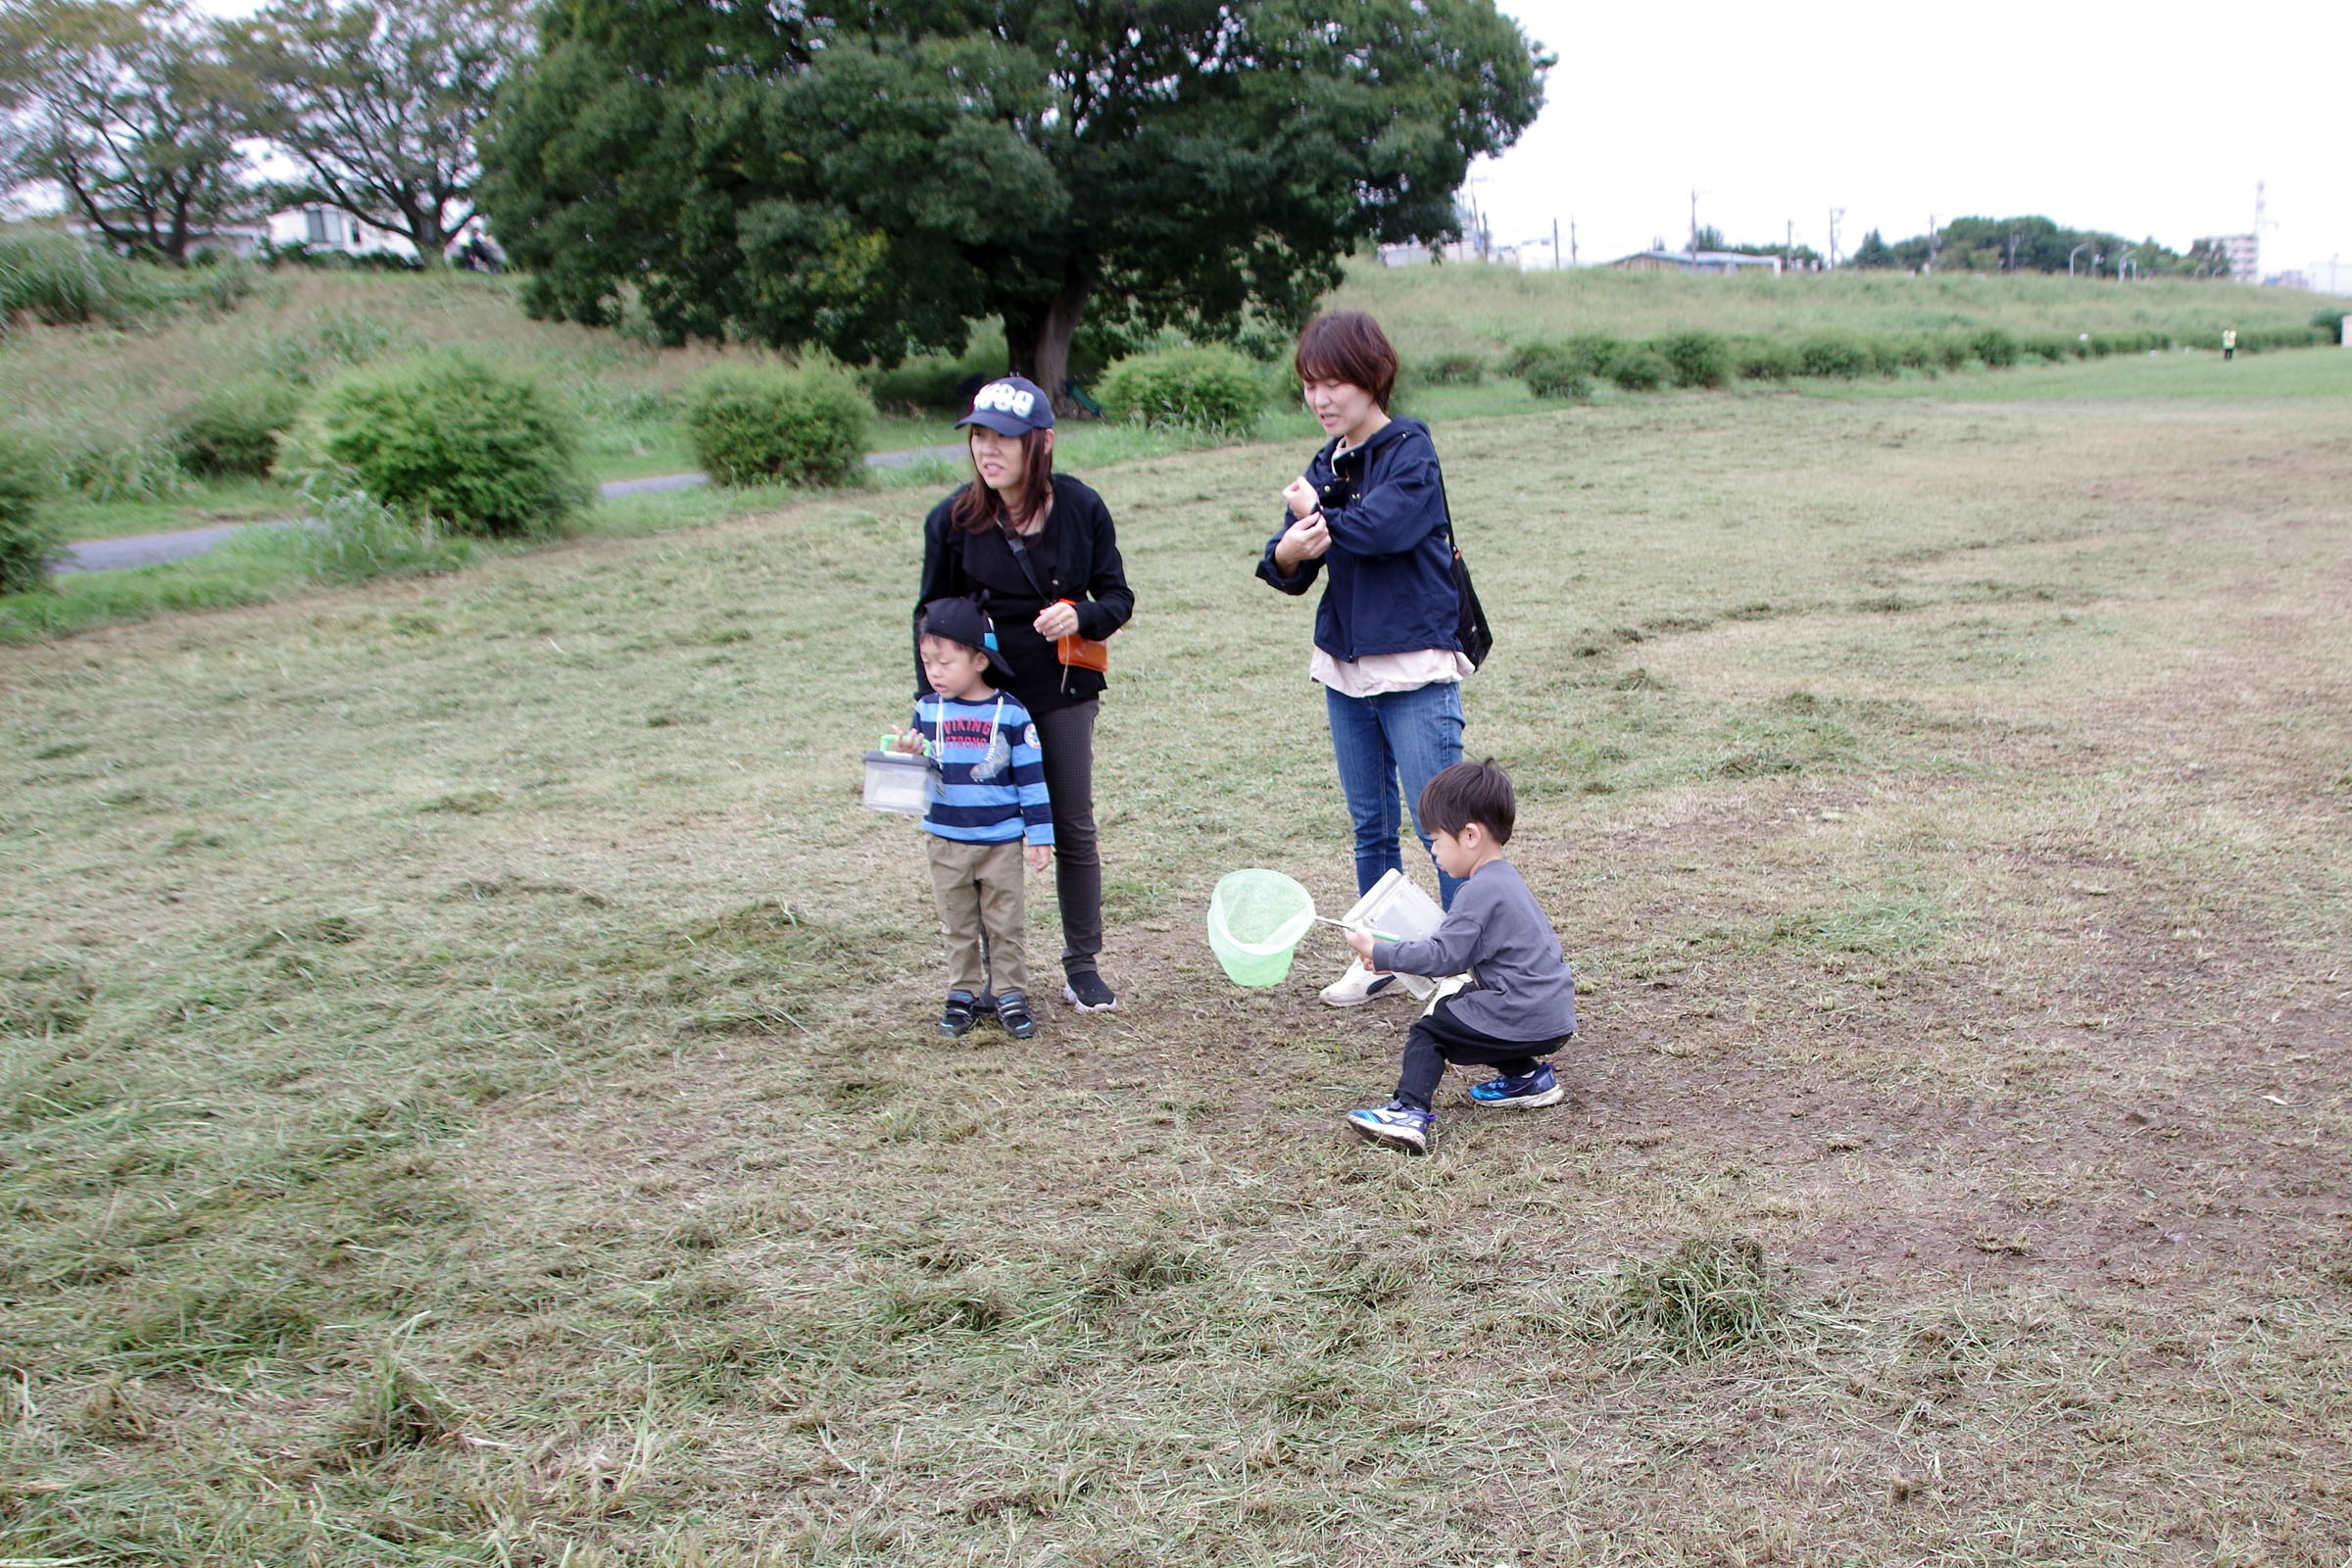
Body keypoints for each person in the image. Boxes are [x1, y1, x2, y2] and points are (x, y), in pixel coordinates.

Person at [1257, 311, 1470, 1008]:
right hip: (1345, 666)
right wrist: (1288, 550)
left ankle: (1465, 965)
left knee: (1439, 821)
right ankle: (1378, 956)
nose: (1321, 399)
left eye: (1335, 382)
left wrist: (1315, 518)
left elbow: (1385, 527)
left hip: (1412, 663)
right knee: (1369, 823)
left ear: (1371, 378)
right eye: (1310, 385)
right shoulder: (1330, 461)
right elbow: (1291, 560)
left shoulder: (1410, 447)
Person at [915, 375, 1135, 1012]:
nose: (988, 450)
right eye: (979, 435)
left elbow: (1117, 597)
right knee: (980, 834)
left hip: (1062, 690)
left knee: (1070, 825)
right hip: (979, 704)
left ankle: (1082, 963)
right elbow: (929, 616)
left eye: (1004, 438)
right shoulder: (953, 520)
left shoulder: (1081, 508)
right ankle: (994, 974)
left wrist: (1082, 616)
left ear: (1041, 443)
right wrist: (929, 707)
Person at [1340, 760, 1575, 1155]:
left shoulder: (1477, 891)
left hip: (1523, 1011)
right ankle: (1528, 1078)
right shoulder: (1504, 880)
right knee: (1465, 1000)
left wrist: (1378, 949)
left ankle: (1409, 1111)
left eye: (1435, 839)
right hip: (1551, 1012)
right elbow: (1456, 955)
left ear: (1469, 835)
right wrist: (1390, 960)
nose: (1433, 850)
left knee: (1431, 1031)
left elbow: (1443, 957)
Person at [893, 599, 1054, 1040]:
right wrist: (908, 757)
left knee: (1005, 921)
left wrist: (1040, 835)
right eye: (927, 662)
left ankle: (1009, 993)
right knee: (957, 922)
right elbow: (919, 775)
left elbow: (1032, 780)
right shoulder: (928, 711)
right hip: (945, 840)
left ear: (980, 659)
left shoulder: (1012, 714)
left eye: (945, 662)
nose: (935, 672)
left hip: (1001, 842)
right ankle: (962, 992)